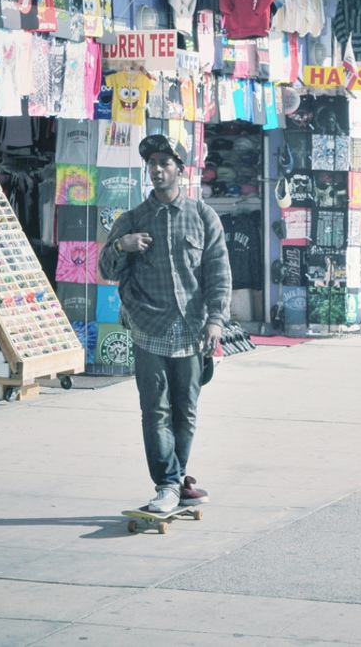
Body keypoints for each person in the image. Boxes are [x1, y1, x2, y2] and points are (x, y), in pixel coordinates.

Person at [98, 135, 232, 513]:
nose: (157, 170)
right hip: (148, 327)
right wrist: (121, 246)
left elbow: (218, 272)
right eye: (152, 164)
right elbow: (105, 269)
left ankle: (179, 476)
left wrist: (216, 321)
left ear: (180, 170)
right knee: (155, 411)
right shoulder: (132, 220)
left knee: (185, 411)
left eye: (164, 163)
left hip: (192, 329)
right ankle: (168, 484)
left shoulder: (203, 216)